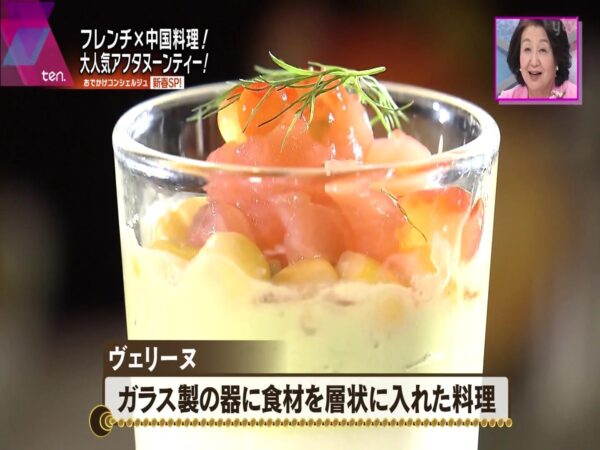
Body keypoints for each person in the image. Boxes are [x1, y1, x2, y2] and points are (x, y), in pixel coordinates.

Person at [499, 19, 577, 99]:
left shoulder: (576, 96)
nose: (534, 62)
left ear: (557, 58)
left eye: (542, 50)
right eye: (527, 49)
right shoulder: (506, 98)